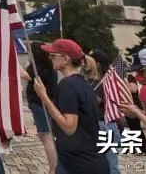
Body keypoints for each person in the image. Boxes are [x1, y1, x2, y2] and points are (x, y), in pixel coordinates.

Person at [33, 38, 109, 174]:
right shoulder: (82, 83)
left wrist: (43, 96)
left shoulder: (67, 85)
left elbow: (69, 127)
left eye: (53, 55)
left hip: (77, 163)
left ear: (65, 59)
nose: (49, 58)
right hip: (90, 159)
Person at [20, 42, 57, 174]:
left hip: (40, 104)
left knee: (46, 136)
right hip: (42, 104)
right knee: (44, 135)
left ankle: (53, 169)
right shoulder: (48, 66)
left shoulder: (38, 68)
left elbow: (26, 75)